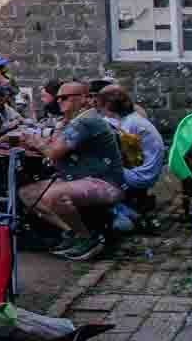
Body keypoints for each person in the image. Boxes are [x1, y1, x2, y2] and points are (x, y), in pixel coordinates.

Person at [26, 80, 128, 258]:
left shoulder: (86, 121)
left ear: (84, 99)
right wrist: (61, 123)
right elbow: (56, 145)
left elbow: (52, 153)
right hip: (81, 178)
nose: (59, 102)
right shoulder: (75, 120)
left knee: (53, 196)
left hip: (104, 183)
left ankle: (88, 239)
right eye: (57, 98)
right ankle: (73, 232)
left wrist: (36, 142)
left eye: (65, 98)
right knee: (27, 194)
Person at [102, 86, 166, 208]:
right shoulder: (132, 119)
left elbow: (119, 155)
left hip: (141, 175)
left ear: (109, 106)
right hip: (146, 172)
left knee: (95, 168)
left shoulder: (129, 124)